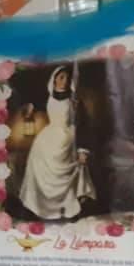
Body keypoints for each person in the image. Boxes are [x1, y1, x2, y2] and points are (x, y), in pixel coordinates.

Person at [19, 65, 96, 220]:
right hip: (49, 136)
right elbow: (34, 105)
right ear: (54, 79)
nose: (64, 81)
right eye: (61, 77)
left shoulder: (74, 100)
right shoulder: (48, 96)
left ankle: (68, 209)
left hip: (67, 140)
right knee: (37, 159)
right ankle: (38, 207)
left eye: (67, 78)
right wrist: (30, 108)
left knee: (68, 173)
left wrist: (82, 150)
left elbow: (83, 125)